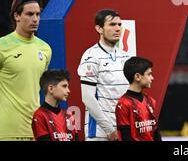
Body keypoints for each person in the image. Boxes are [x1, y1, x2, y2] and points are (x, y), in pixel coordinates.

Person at [0, 0, 52, 141]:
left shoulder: (45, 49)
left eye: (37, 14)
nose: (35, 19)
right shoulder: (3, 46)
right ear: (17, 16)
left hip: (36, 129)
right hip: (7, 130)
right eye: (29, 14)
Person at [77, 9, 133, 141]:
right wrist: (109, 129)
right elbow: (88, 98)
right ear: (99, 28)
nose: (118, 28)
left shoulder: (125, 56)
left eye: (119, 24)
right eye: (112, 25)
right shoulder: (91, 56)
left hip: (123, 129)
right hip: (100, 132)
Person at [115, 56, 161, 141]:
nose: (152, 78)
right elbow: (125, 136)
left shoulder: (151, 101)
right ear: (137, 77)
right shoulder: (123, 104)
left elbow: (156, 132)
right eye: (149, 74)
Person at [32, 70, 78, 141]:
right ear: (51, 89)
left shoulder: (69, 116)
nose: (68, 90)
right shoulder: (39, 116)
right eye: (64, 86)